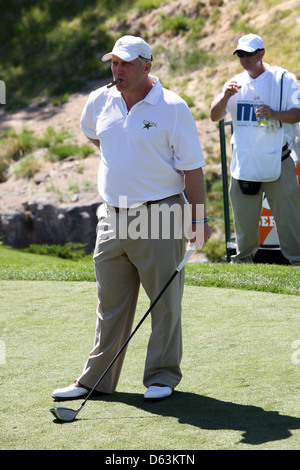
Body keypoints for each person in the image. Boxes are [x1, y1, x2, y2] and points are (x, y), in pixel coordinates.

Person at [52, 35, 211, 402]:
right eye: (113, 63)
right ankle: (95, 381)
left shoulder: (172, 107)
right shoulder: (99, 100)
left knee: (163, 301)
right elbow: (97, 137)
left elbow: (193, 169)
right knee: (110, 304)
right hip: (111, 215)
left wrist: (199, 219)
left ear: (147, 66)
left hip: (159, 213)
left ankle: (161, 376)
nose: (117, 70)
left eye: (125, 63)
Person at [210, 33, 300, 264]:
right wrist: (225, 96)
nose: (244, 59)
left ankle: (297, 263)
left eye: (249, 54)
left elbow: (297, 112)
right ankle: (242, 265)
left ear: (262, 53)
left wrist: (273, 114)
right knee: (244, 224)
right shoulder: (234, 83)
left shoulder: (283, 79)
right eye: (240, 54)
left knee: (290, 223)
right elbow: (214, 116)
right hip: (245, 164)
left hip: (279, 162)